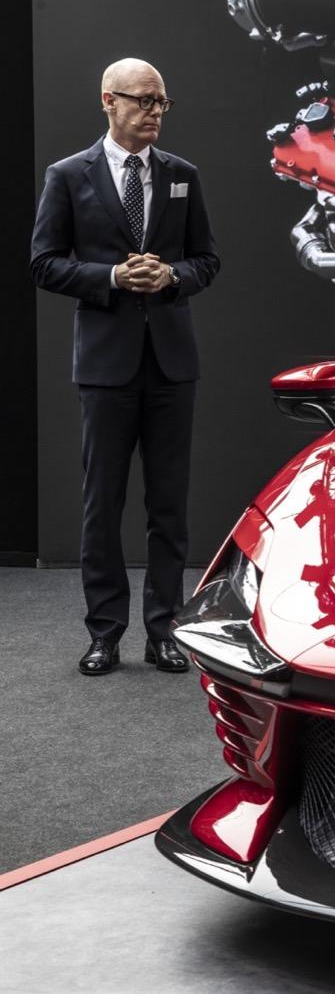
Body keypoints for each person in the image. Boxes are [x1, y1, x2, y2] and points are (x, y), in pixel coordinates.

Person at [31, 58, 220, 676]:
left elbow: (207, 260)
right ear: (108, 101)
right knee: (102, 505)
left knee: (169, 508)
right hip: (106, 364)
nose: (155, 112)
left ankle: (164, 631)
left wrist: (172, 276)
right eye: (143, 100)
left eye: (162, 102)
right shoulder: (68, 176)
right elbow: (44, 263)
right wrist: (111, 276)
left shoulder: (182, 175)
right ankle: (105, 633)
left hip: (171, 364)